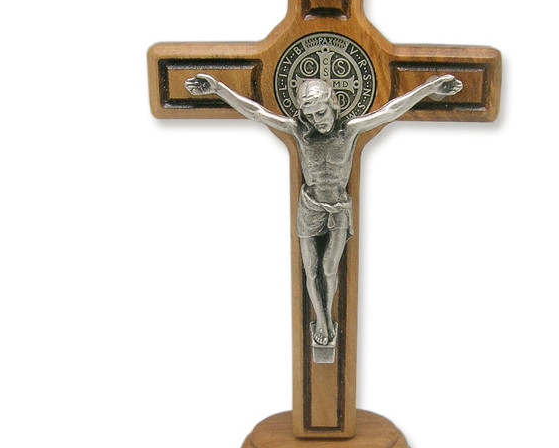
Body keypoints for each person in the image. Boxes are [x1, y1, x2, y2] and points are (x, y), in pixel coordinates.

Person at [184, 69, 463, 348]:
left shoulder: (349, 130)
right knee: (311, 270)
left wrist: (429, 89)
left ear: (334, 105)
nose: (317, 120)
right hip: (309, 207)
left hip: (338, 206)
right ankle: (322, 319)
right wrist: (217, 88)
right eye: (310, 116)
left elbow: (391, 110)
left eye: (321, 112)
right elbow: (257, 112)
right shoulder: (300, 132)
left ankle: (326, 315)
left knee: (330, 268)